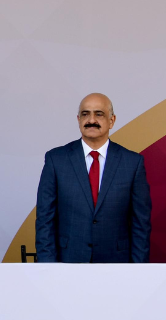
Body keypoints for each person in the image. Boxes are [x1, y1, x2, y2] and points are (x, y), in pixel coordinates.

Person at [36, 93, 151, 263]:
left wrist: (137, 270)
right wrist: (48, 267)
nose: (91, 120)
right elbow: (45, 220)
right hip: (68, 262)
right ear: (78, 119)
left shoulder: (132, 163)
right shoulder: (56, 160)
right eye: (85, 114)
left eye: (99, 114)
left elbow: (140, 224)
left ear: (112, 120)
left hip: (117, 264)